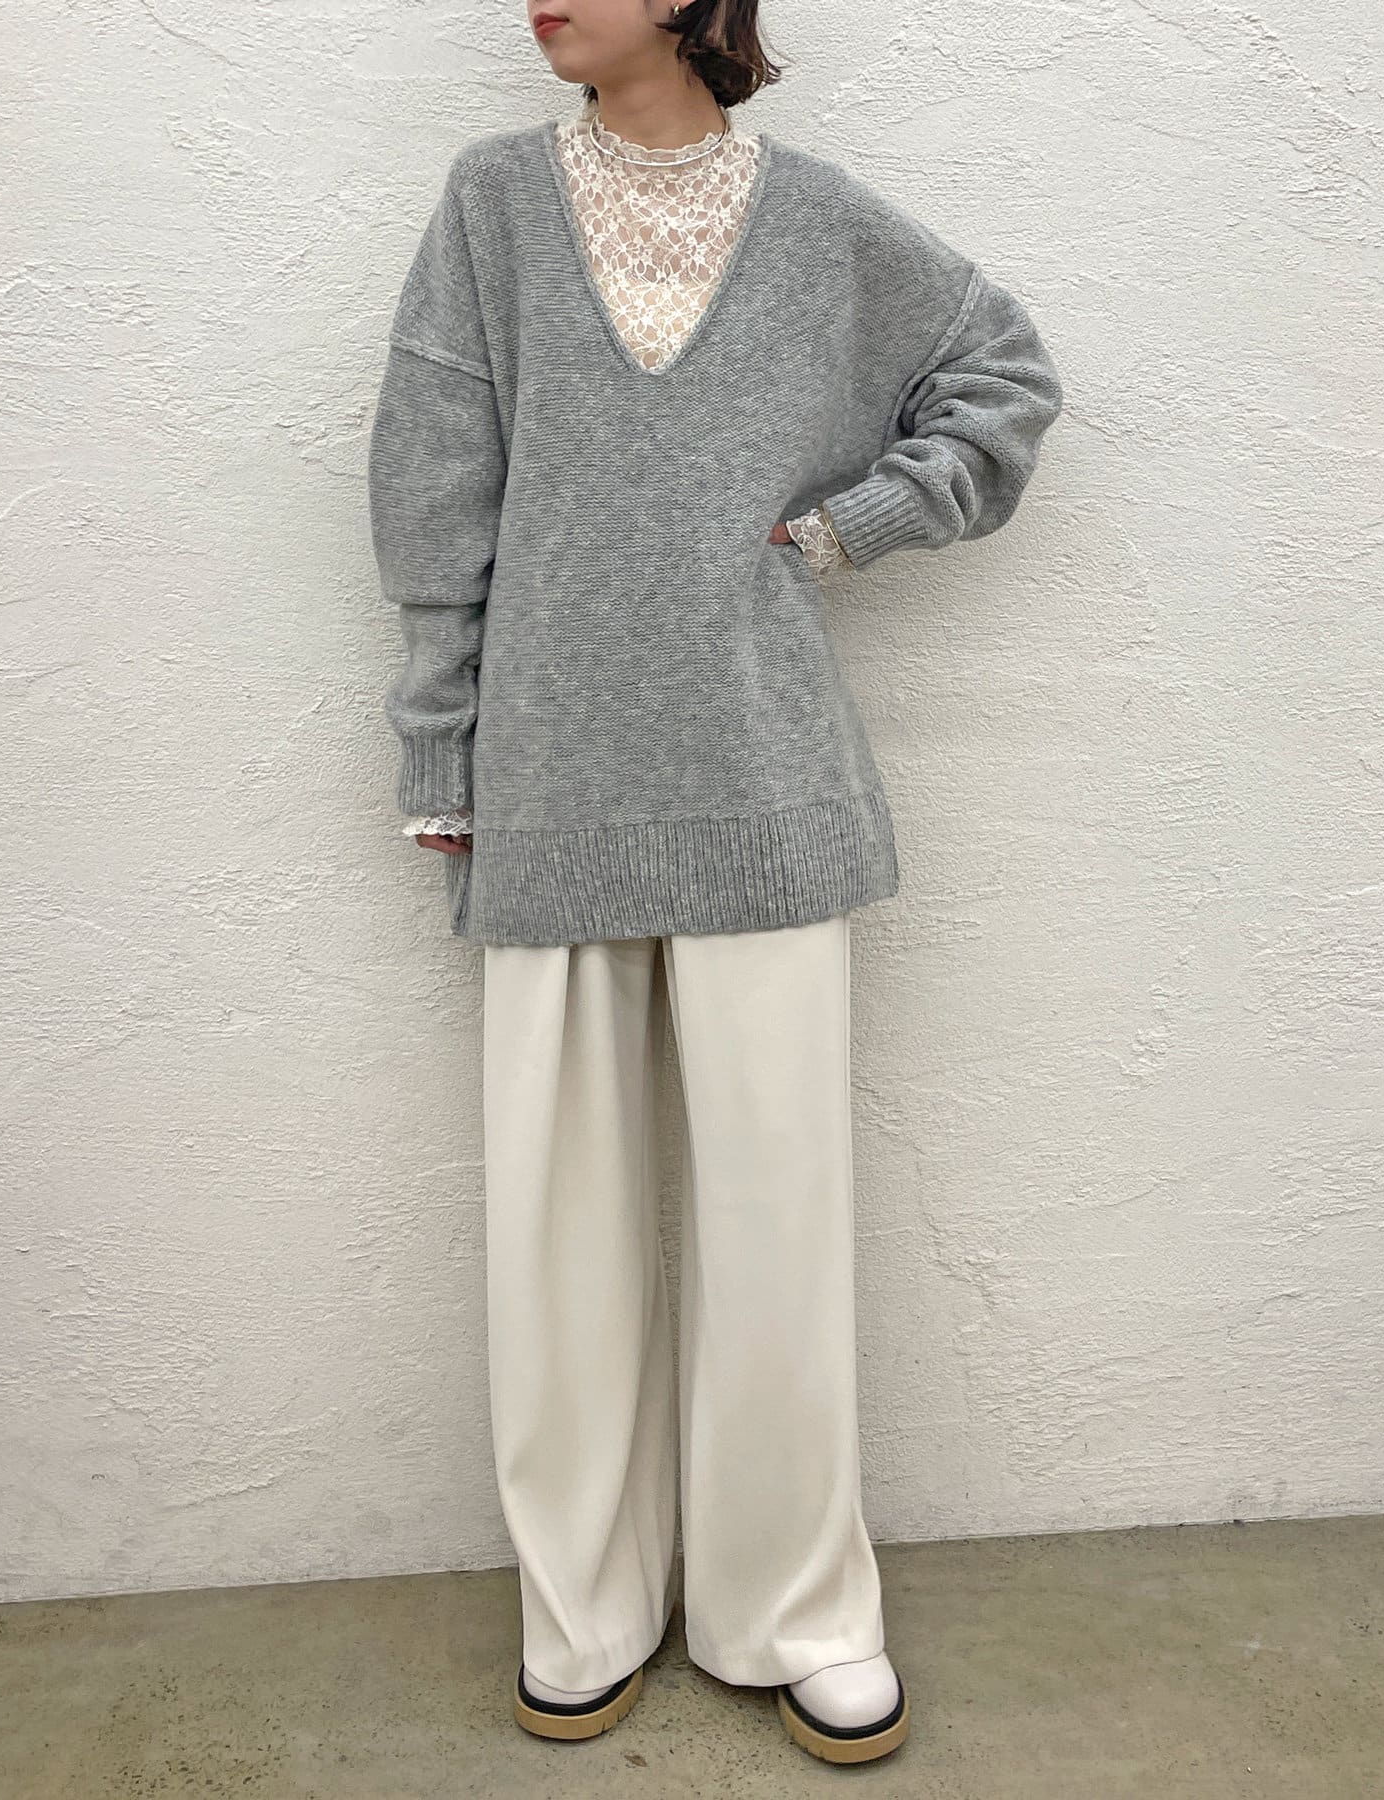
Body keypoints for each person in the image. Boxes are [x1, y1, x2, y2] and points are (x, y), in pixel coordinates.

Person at [366, 0, 1063, 1767]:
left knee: (779, 1219)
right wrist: (440, 743)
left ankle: (799, 1608)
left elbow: (1003, 375)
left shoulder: (821, 222)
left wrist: (853, 525)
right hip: (553, 779)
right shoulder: (493, 202)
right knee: (558, 1230)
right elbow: (435, 490)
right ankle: (583, 1608)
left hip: (765, 784)